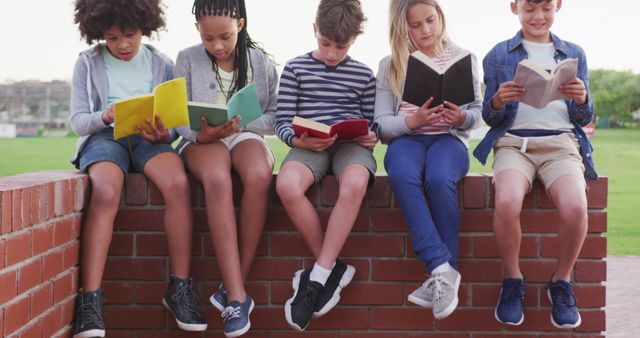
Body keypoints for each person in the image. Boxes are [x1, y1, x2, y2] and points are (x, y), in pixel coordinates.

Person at [70, 0, 206, 337]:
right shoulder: (87, 63)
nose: (123, 45)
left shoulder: (161, 62)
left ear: (145, 26)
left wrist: (165, 133)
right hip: (105, 138)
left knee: (178, 184)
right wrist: (105, 115)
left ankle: (180, 289)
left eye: (129, 35)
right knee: (105, 191)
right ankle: (90, 301)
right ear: (98, 33)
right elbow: (77, 121)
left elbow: (174, 121)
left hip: (149, 139)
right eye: (112, 38)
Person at [472, 0, 596, 329]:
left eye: (545, 9)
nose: (538, 17)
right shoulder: (498, 54)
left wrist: (582, 98)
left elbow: (585, 117)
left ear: (558, 6)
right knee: (508, 199)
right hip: (514, 143)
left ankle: (562, 282)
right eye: (529, 9)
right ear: (514, 7)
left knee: (575, 208)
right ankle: (513, 281)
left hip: (561, 144)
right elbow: (489, 114)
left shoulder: (574, 53)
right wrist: (498, 99)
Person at [173, 0, 277, 336]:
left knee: (259, 173)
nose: (216, 46)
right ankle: (236, 296)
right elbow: (177, 118)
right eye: (207, 38)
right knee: (218, 179)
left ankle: (234, 287)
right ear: (198, 33)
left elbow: (275, 116)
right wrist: (202, 134)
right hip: (202, 141)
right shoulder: (186, 59)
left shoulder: (261, 62)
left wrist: (241, 124)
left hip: (244, 134)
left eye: (225, 36)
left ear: (241, 25)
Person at [374, 0, 482, 320]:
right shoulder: (390, 64)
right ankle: (441, 267)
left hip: (448, 140)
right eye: (416, 25)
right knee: (404, 173)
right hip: (408, 139)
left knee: (437, 179)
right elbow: (381, 124)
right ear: (401, 27)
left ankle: (441, 277)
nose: (426, 30)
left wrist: (461, 117)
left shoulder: (464, 58)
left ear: (441, 18)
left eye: (431, 21)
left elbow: (477, 115)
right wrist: (413, 122)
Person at [274, 0, 377, 331]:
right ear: (315, 30)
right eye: (325, 43)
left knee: (355, 184)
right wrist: (296, 141)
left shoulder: (364, 74)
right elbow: (282, 121)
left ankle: (317, 277)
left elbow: (372, 122)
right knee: (286, 186)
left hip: (349, 147)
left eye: (341, 46)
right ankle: (331, 269)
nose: (332, 53)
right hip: (310, 146)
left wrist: (371, 136)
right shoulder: (295, 68)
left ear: (354, 40)